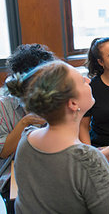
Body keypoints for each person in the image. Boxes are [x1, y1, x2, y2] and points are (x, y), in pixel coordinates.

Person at [6, 60, 109, 214]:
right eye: (82, 81)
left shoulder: (27, 138)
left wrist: (105, 152)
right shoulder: (86, 159)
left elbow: (63, 168)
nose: (88, 80)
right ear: (72, 103)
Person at [0, 44, 54, 198]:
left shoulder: (53, 99)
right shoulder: (4, 105)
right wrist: (25, 122)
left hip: (50, 168)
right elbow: (4, 152)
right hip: (13, 175)